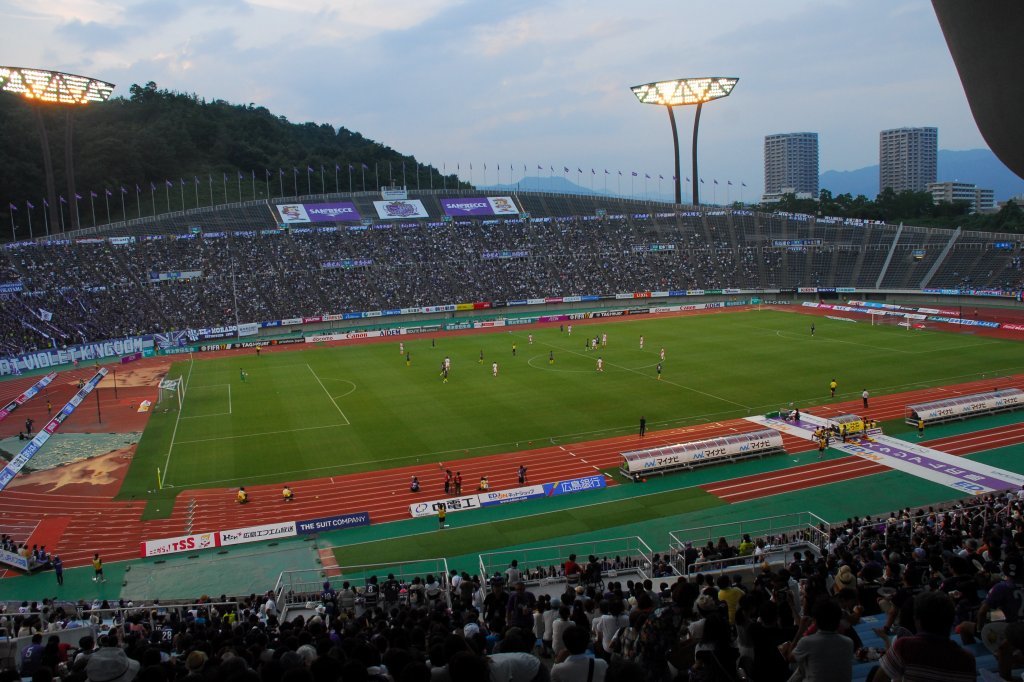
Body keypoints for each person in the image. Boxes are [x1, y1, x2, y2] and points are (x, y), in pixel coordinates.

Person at [875, 591, 976, 682]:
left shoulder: (905, 646)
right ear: (951, 620)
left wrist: (886, 639)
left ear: (917, 621)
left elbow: (879, 679)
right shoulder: (968, 660)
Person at [783, 599, 853, 682]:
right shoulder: (848, 642)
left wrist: (800, 631)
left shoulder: (807, 642)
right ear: (839, 621)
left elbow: (790, 658)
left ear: (815, 621)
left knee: (797, 666)